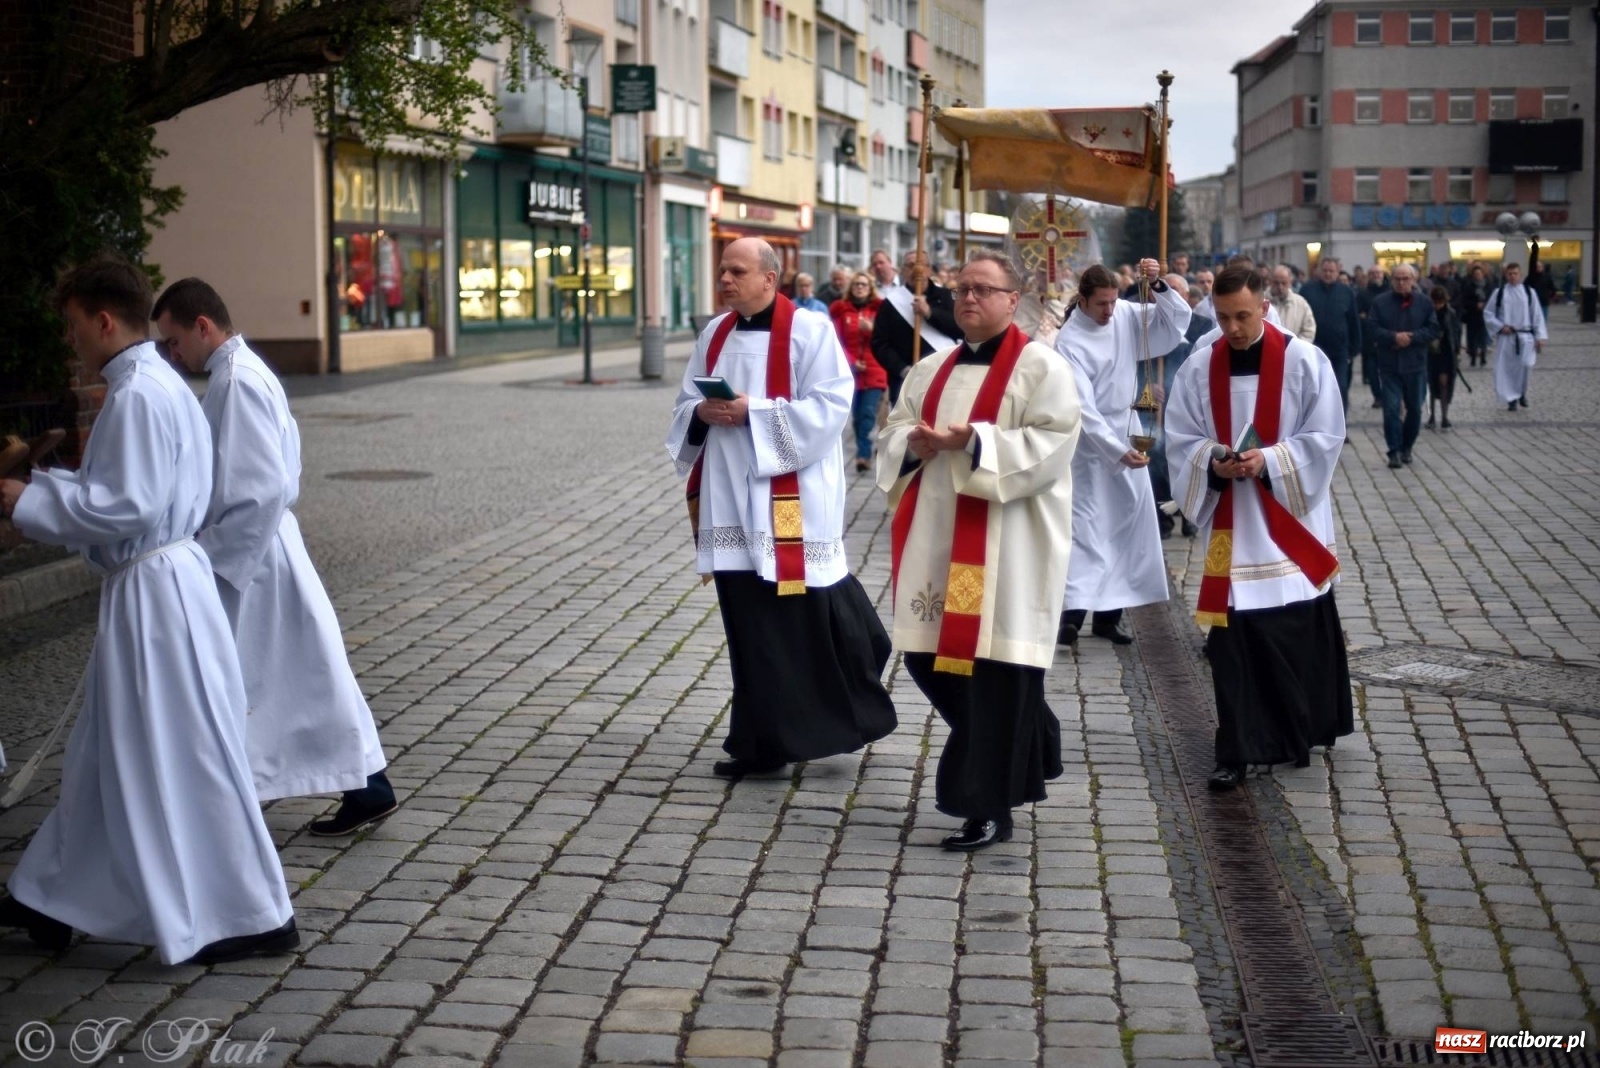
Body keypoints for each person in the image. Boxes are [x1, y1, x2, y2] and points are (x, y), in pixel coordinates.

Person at [0, 256, 296, 964]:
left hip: (155, 595)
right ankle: (49, 898)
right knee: (111, 748)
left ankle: (254, 914)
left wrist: (29, 500)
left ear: (104, 321)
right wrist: (58, 485)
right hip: (167, 584)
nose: (72, 343)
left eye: (75, 328)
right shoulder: (160, 382)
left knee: (179, 750)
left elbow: (122, 505)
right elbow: (133, 489)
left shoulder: (135, 394)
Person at [152, 278, 398, 835]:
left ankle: (258, 798)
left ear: (203, 326)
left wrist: (213, 561)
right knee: (305, 675)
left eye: (173, 340)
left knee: (269, 678)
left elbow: (260, 488)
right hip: (266, 548)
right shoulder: (243, 371)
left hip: (256, 558)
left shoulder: (235, 381)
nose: (172, 353)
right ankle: (359, 788)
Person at [665, 237, 896, 779]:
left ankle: (828, 720)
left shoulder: (810, 331)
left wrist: (753, 413)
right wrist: (702, 412)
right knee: (748, 626)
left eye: (736, 271)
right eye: (722, 270)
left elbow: (831, 408)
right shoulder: (714, 333)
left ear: (770, 278)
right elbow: (683, 405)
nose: (724, 280)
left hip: (789, 500)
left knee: (799, 620)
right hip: (728, 498)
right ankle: (760, 740)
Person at [877, 249, 1081, 851]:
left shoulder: (1041, 370)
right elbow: (893, 433)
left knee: (995, 675)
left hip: (1008, 546)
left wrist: (977, 443)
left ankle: (987, 806)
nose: (967, 298)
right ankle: (1031, 736)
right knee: (925, 659)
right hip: (939, 541)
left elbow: (1053, 444)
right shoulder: (930, 369)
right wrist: (912, 444)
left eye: (983, 289)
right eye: (962, 288)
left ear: (1012, 300)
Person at [1166, 263, 1351, 792]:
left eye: (1244, 316)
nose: (1234, 329)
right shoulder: (1199, 369)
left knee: (1294, 627)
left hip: (1286, 518)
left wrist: (1269, 460)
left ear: (1265, 307)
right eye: (1223, 318)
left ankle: (1301, 729)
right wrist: (1213, 461)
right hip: (1229, 522)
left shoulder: (1304, 362)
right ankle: (1238, 748)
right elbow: (1180, 436)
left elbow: (1326, 434)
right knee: (1231, 640)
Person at [1053, 259, 1188, 645]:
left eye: (1114, 302)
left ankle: (1109, 617)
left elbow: (1177, 322)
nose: (1110, 311)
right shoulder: (1069, 341)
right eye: (1102, 304)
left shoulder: (1126, 314)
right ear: (1082, 300)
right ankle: (1072, 615)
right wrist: (1114, 450)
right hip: (1090, 446)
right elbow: (1081, 406)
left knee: (1126, 527)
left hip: (1130, 435)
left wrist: (1157, 284)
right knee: (1087, 528)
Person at [1150, 274, 1213, 539]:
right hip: (1156, 406)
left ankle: (1190, 515)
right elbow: (1135, 361)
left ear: (1186, 296)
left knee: (1190, 461)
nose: (1169, 296)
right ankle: (1163, 520)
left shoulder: (1202, 325)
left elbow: (1205, 363)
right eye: (1165, 291)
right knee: (1158, 458)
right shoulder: (1150, 324)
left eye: (1175, 291)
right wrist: (1148, 385)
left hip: (1189, 405)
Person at [1366, 264, 1440, 469]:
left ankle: (1407, 446)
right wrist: (1393, 337)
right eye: (1397, 279)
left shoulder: (1424, 302)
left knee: (1415, 409)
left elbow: (1434, 328)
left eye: (1405, 278)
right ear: (1392, 280)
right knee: (1391, 410)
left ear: (1413, 279)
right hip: (1389, 365)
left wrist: (1413, 337)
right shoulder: (1380, 302)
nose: (1401, 283)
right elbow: (1372, 329)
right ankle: (1394, 450)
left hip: (1415, 364)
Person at [872, 249, 960, 405]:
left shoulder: (947, 297)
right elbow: (879, 343)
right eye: (910, 266)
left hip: (944, 377)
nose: (916, 270)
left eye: (920, 265)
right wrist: (902, 369)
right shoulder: (891, 303)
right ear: (903, 271)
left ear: (929, 269)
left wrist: (930, 313)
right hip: (905, 382)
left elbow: (961, 328)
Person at [830, 271, 886, 473]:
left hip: (874, 369)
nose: (860, 288)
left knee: (867, 413)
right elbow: (836, 341)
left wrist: (872, 329)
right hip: (851, 370)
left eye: (863, 284)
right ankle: (864, 450)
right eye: (856, 285)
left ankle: (863, 454)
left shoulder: (879, 310)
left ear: (870, 287)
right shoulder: (842, 311)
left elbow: (887, 340)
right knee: (854, 416)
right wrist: (851, 362)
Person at [1300, 256, 1362, 413]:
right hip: (1314, 349)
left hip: (1339, 351)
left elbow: (1353, 320)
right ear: (1320, 271)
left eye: (1331, 271)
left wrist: (1355, 347)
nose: (1328, 274)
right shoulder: (1307, 290)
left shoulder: (1346, 292)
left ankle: (1340, 427)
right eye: (1325, 270)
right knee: (1314, 390)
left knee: (1340, 388)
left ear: (1337, 271)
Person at [1484, 262, 1548, 412]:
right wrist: (1500, 326)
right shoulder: (1499, 293)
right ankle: (1511, 398)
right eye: (1510, 274)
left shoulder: (1529, 293)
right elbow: (1488, 313)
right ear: (1506, 275)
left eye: (1515, 274)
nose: (1513, 277)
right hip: (1507, 337)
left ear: (1520, 275)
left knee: (1525, 366)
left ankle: (1522, 393)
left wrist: (1539, 337)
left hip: (1525, 336)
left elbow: (1537, 315)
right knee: (1508, 369)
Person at [1425, 285, 1461, 432]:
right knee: (1433, 385)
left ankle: (1444, 416)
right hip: (1432, 354)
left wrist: (1457, 349)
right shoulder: (1428, 313)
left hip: (1446, 353)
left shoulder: (1450, 313)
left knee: (1444, 384)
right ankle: (1432, 416)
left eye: (1440, 302)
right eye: (1435, 302)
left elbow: (1456, 331)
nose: (1438, 305)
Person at [1357, 265, 1391, 407]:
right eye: (1373, 273)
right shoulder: (1363, 293)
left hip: (1388, 337)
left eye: (1378, 273)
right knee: (1371, 370)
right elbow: (1359, 313)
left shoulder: (1390, 291)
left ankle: (1388, 395)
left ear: (1383, 274)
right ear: (1369, 276)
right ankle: (1378, 396)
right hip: (1369, 337)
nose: (1376, 275)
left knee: (1388, 369)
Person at [1268, 264, 1317, 342]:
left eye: (1284, 283)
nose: (1280, 287)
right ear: (1270, 282)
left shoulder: (1301, 303)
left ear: (1290, 283)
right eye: (1276, 283)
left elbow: (1309, 330)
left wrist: (1295, 346)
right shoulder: (1260, 301)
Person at [1458, 262, 1491, 367]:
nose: (1478, 276)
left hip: (1485, 315)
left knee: (1483, 336)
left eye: (1479, 274)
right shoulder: (1469, 286)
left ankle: (1483, 356)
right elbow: (1464, 300)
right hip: (1472, 314)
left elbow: (1492, 298)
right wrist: (1475, 304)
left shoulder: (1488, 285)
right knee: (1472, 337)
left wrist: (1485, 304)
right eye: (1476, 274)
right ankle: (1473, 356)